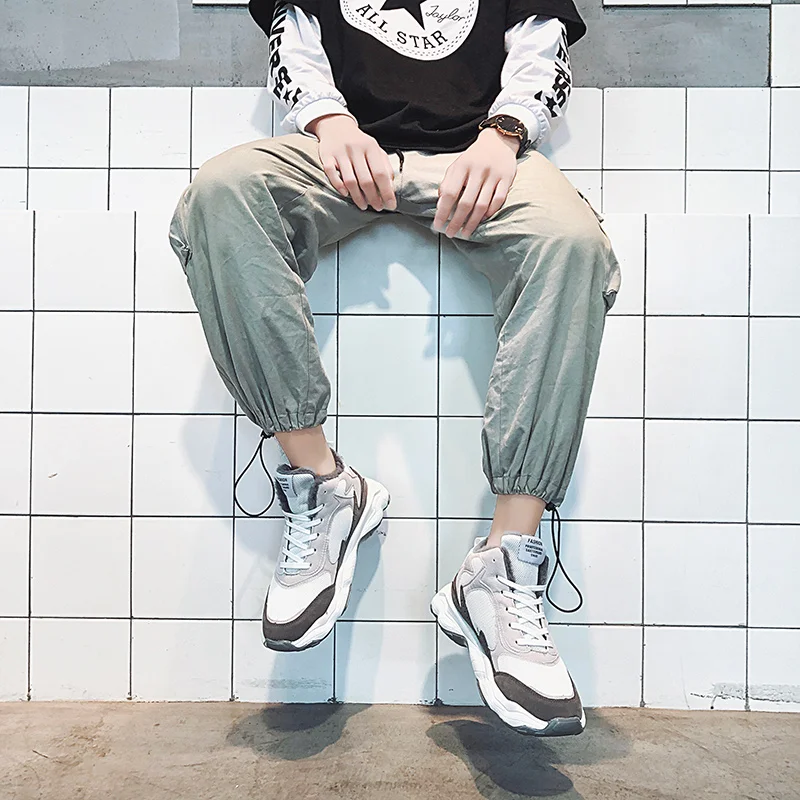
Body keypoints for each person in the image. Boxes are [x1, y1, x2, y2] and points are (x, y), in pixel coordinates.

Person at [168, 0, 621, 737]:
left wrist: (505, 134)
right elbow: (295, 43)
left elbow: (541, 49)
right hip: (346, 159)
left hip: (480, 161)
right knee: (220, 194)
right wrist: (329, 122)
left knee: (574, 245)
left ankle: (503, 566)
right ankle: (324, 483)